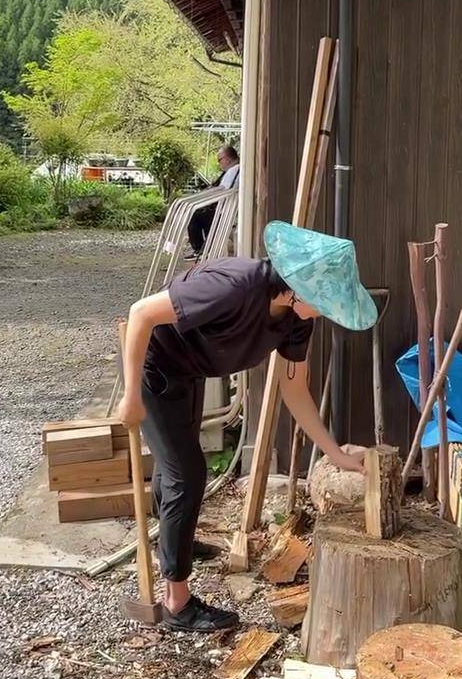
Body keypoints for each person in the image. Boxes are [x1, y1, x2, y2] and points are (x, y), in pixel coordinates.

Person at [119, 220, 377, 633]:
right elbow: (140, 313)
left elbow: (294, 390)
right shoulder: (234, 286)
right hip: (155, 367)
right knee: (187, 472)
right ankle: (176, 603)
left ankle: (172, 543)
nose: (326, 313)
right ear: (298, 287)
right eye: (325, 303)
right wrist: (131, 394)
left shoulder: (297, 319)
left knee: (177, 467)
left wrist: (335, 453)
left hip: (190, 371)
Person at [187, 144, 240, 257]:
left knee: (195, 215)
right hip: (227, 210)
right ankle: (205, 249)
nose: (219, 163)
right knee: (203, 213)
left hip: (226, 212)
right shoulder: (235, 170)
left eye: (219, 160)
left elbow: (222, 191)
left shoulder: (233, 170)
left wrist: (206, 194)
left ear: (227, 159)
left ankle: (200, 250)